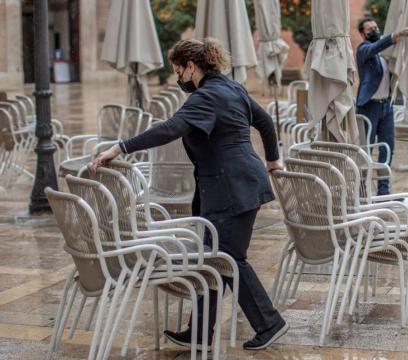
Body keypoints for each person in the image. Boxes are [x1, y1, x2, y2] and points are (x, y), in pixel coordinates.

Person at [90, 38, 288, 351]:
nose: (178, 77)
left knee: (227, 259)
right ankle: (198, 333)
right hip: (237, 182)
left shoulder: (206, 97)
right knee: (212, 258)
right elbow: (263, 121)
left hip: (230, 187)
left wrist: (120, 146)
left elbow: (170, 128)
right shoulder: (232, 88)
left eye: (178, 70)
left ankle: (269, 323)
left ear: (191, 67)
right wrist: (273, 158)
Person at [355, 17, 408, 195]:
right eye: (370, 29)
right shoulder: (363, 50)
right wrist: (394, 36)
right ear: (362, 34)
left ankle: (383, 192)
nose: (374, 30)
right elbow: (374, 47)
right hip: (368, 107)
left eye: (376, 27)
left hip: (386, 107)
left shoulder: (385, 54)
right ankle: (361, 191)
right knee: (366, 150)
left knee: (387, 148)